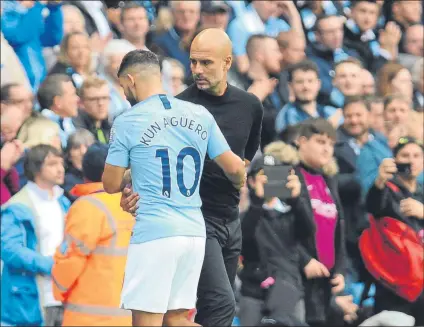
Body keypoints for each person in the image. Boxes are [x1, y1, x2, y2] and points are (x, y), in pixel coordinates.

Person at [102, 49, 246, 327]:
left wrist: (136, 172)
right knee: (178, 320)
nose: (124, 94)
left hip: (155, 234)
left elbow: (110, 183)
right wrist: (239, 182)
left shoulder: (128, 120)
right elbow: (235, 168)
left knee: (148, 321)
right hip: (193, 233)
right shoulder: (198, 113)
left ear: (130, 80)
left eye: (122, 86)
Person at [52, 143, 134, 326]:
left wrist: (58, 292)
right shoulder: (135, 204)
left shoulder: (88, 207)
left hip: (87, 318)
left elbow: (69, 261)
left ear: (85, 170)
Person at [1, 145, 70, 326]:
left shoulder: (62, 201)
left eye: (61, 163)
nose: (60, 169)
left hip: (61, 294)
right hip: (29, 298)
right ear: (36, 169)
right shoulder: (17, 206)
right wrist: (48, 265)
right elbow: (9, 249)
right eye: (53, 164)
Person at [366, 137, 424, 326]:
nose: (411, 160)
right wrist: (380, 180)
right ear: (395, 160)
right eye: (405, 155)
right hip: (395, 284)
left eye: (416, 155)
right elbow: (373, 206)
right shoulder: (387, 190)